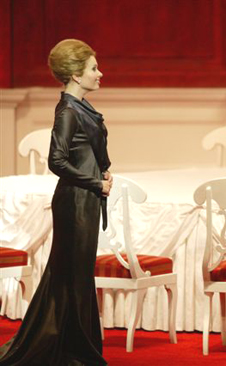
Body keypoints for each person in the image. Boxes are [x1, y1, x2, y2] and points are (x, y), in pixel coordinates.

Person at [0, 39, 112, 365]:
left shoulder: (80, 108)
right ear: (76, 75)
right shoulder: (67, 111)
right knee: (73, 278)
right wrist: (96, 182)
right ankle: (75, 352)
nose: (100, 73)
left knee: (73, 276)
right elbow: (56, 161)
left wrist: (103, 171)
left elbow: (85, 151)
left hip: (84, 201)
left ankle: (73, 346)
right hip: (75, 204)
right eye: (93, 68)